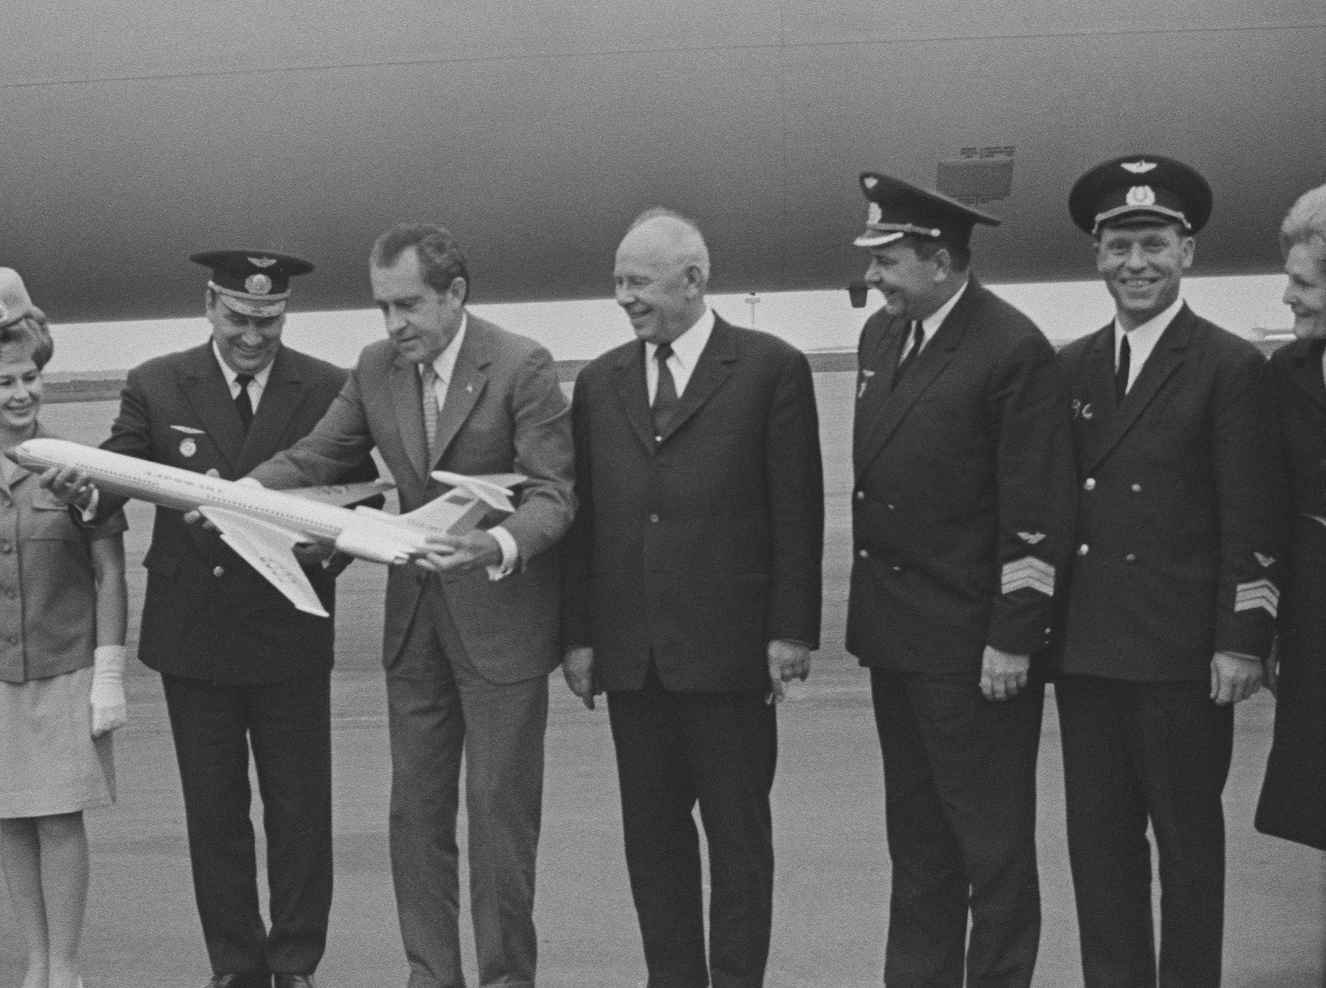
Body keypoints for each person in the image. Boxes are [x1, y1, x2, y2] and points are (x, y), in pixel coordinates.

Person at [251, 223, 574, 988]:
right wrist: (243, 493)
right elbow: (322, 454)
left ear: (456, 295)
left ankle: (504, 979)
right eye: (382, 307)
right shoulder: (376, 367)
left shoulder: (520, 365)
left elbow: (554, 493)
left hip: (500, 624)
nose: (394, 325)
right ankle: (430, 975)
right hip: (415, 629)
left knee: (498, 821)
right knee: (415, 819)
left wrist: (495, 547)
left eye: (409, 305)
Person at [68, 250, 378, 988]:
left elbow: (362, 492)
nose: (252, 335)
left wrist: (333, 550)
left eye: (268, 320)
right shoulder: (158, 383)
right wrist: (84, 493)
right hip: (195, 635)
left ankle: (296, 961)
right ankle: (236, 966)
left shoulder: (327, 388)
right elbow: (120, 468)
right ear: (210, 305)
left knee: (300, 812)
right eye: (238, 316)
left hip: (288, 626)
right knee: (215, 815)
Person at [559, 209, 823, 988]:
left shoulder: (771, 367)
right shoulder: (600, 381)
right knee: (653, 843)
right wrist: (578, 637)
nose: (624, 298)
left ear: (694, 280)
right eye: (617, 282)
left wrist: (792, 632)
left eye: (637, 282)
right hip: (632, 659)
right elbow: (587, 523)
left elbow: (797, 512)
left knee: (738, 843)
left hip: (731, 655)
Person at [1054, 155, 1288, 988]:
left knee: (1188, 854)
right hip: (1088, 658)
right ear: (1096, 256)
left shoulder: (1229, 367)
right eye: (1119, 246)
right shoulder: (1070, 366)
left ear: (1186, 251)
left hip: (1184, 661)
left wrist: (1242, 639)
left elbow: (1252, 520)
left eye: (1153, 243)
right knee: (1100, 853)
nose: (1136, 265)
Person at [846, 173, 1071, 988]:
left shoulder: (1010, 347)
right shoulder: (882, 339)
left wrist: (1013, 638)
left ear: (940, 261)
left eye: (888, 259)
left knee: (992, 848)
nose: (873, 275)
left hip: (973, 650)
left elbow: (1036, 511)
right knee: (916, 840)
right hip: (898, 640)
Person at [0, 267, 129, 988]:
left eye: (29, 378)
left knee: (60, 819)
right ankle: (35, 962)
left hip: (65, 669)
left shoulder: (80, 467)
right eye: (4, 383)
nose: (21, 395)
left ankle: (65, 969)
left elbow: (110, 570)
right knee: (10, 820)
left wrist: (109, 672)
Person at [1256, 182, 1326, 852]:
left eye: (1302, 283)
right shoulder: (1289, 373)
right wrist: (1269, 630)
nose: (1288, 297)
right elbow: (1270, 507)